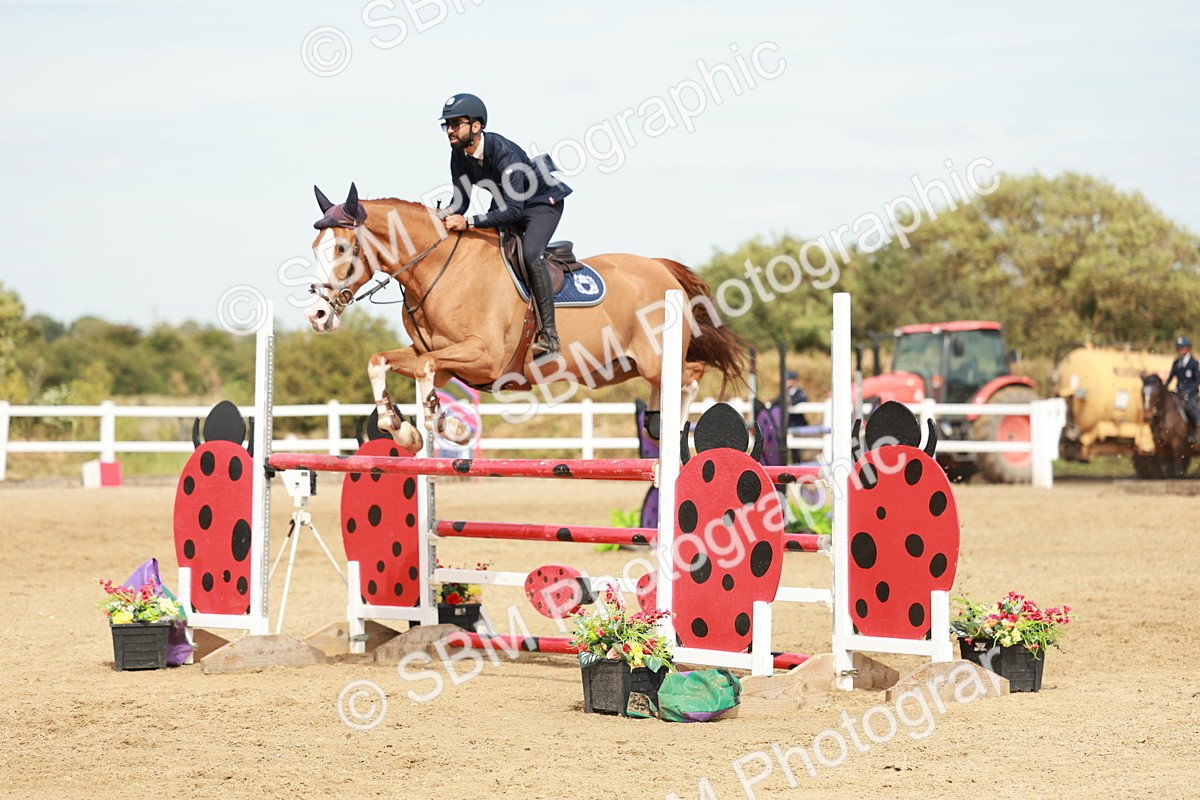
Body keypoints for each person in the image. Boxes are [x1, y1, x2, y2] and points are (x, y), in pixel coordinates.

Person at [437, 93, 573, 361]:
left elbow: (513, 211)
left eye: (456, 124)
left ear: (476, 126)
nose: (450, 130)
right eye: (447, 125)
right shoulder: (459, 156)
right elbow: (460, 204)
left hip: (540, 204)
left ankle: (550, 336)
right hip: (510, 203)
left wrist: (470, 222)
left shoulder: (505, 155)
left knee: (531, 254)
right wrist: (436, 216)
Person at [1164, 335, 1200, 445]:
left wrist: (1189, 392)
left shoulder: (1194, 364)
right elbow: (1170, 378)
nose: (1181, 350)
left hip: (1191, 395)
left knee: (1191, 410)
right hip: (1178, 393)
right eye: (1179, 348)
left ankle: (1193, 433)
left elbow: (1197, 380)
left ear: (1188, 348)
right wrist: (1164, 388)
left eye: (1183, 348)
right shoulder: (1176, 363)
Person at [785, 371, 809, 462]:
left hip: (798, 423)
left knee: (798, 449)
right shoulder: (785, 392)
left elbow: (802, 400)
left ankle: (798, 463)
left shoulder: (800, 392)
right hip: (789, 423)